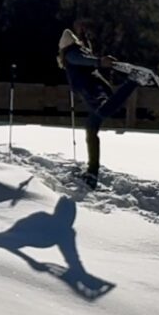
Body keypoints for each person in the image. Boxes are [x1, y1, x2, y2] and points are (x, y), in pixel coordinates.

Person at [57, 21, 139, 189]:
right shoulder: (79, 50)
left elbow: (83, 60)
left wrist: (100, 62)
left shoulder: (71, 54)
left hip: (91, 89)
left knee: (103, 112)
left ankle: (133, 81)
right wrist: (85, 37)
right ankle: (92, 173)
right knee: (92, 127)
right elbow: (86, 56)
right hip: (95, 88)